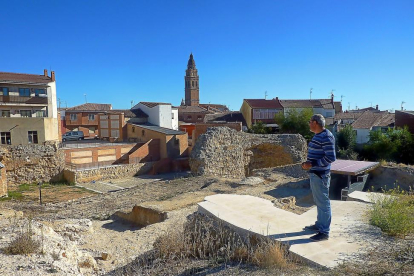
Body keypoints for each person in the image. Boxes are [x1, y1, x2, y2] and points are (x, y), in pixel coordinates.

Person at [301, 114, 336, 241]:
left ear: (315, 122)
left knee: (323, 202)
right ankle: (319, 225)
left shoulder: (326, 137)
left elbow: (331, 158)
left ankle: (324, 232)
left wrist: (312, 164)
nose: (309, 124)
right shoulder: (319, 135)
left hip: (320, 175)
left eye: (310, 121)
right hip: (315, 173)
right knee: (319, 201)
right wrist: (309, 164)